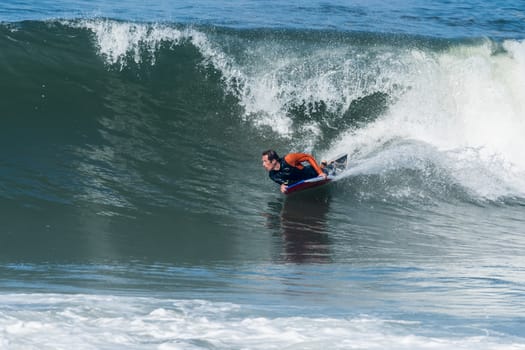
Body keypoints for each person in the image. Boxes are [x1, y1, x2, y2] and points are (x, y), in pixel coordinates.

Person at [262, 149, 327, 193]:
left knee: (326, 170)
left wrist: (320, 173)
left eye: (265, 161)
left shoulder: (288, 159)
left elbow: (308, 157)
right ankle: (322, 165)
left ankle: (323, 166)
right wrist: (282, 185)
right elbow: (285, 182)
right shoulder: (272, 176)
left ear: (273, 161)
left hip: (312, 173)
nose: (263, 164)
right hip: (302, 180)